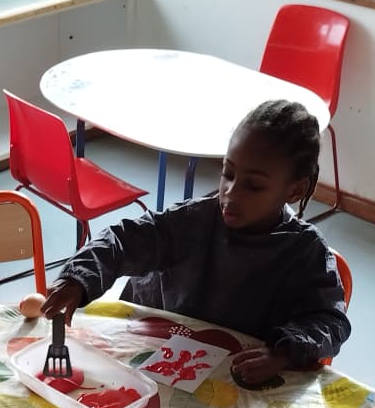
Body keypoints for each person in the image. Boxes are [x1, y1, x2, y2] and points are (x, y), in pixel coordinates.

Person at [39, 99, 350, 385]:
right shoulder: (192, 221)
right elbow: (122, 240)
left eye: (254, 186)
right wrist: (78, 278)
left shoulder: (305, 253)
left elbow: (328, 321)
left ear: (294, 191)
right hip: (153, 360)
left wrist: (281, 353)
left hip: (231, 380)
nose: (230, 193)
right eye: (228, 173)